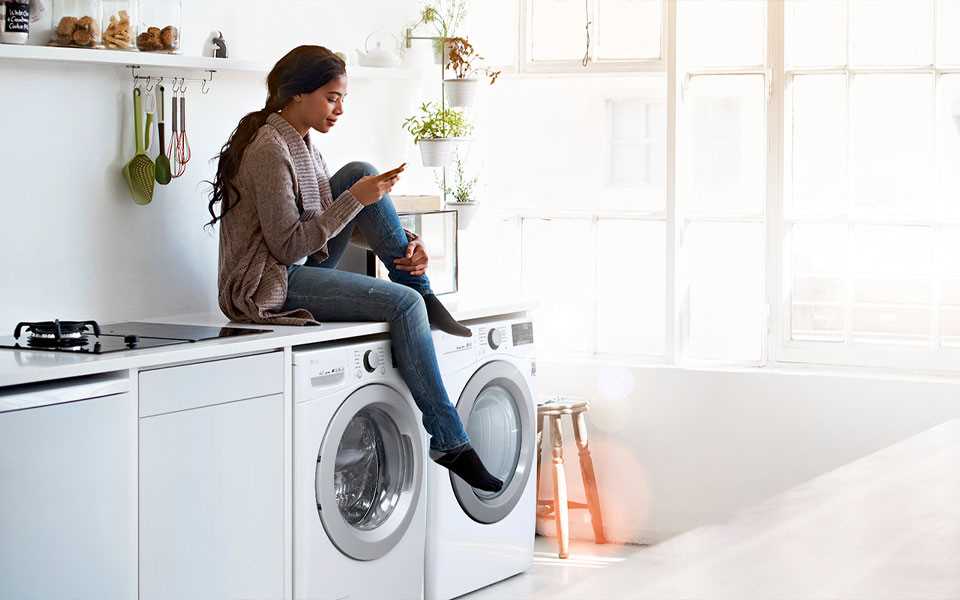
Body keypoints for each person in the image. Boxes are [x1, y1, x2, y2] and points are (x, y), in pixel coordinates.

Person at [207, 45, 502, 493]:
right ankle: (450, 440)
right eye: (332, 97)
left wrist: (407, 240)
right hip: (264, 284)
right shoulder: (270, 149)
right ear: (297, 94)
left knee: (361, 172)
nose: (340, 109)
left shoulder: (300, 142)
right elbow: (288, 248)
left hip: (296, 263)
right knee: (403, 304)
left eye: (342, 98)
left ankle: (414, 275)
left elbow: (330, 220)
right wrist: (358, 198)